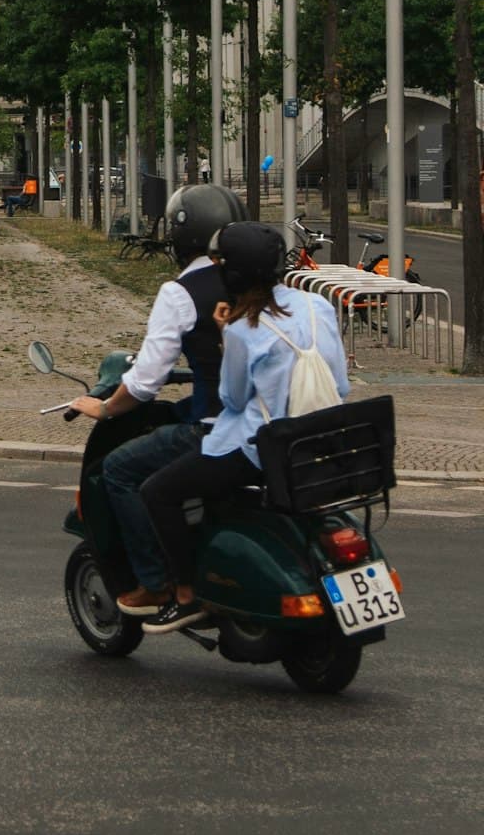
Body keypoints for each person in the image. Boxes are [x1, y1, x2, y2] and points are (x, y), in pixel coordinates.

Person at [139, 220, 350, 634]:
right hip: (318, 441)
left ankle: (185, 595)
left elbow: (233, 400)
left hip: (258, 449)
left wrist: (225, 336)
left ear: (231, 275)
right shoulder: (318, 306)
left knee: (158, 491)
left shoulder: (241, 329)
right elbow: (340, 384)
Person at [67, 183, 246, 616]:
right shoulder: (254, 281)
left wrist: (104, 407)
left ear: (178, 235)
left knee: (118, 470)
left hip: (219, 427)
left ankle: (155, 582)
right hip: (268, 422)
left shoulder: (180, 293)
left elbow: (145, 383)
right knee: (174, 416)